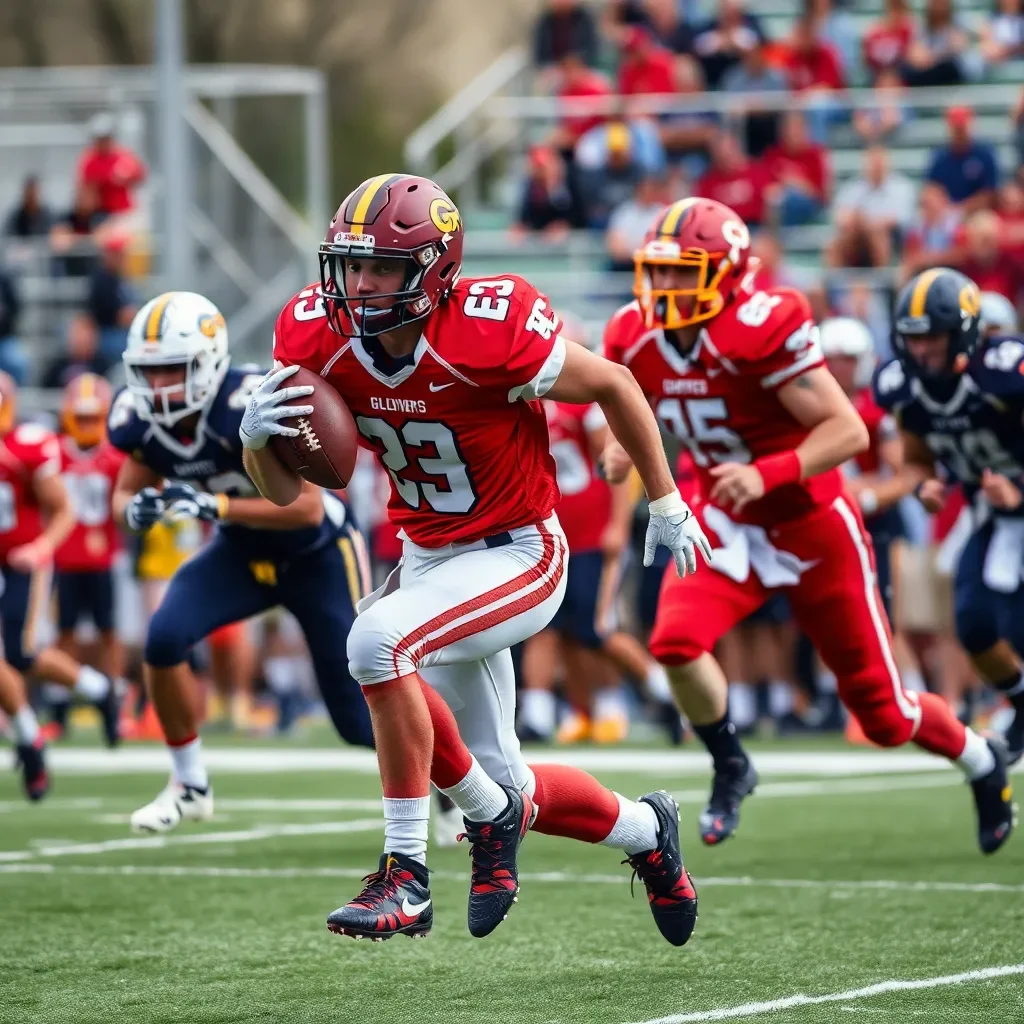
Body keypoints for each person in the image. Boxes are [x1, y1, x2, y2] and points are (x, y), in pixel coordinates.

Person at [254, 173, 709, 944]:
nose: (359, 286)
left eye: (383, 270)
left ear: (433, 271)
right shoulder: (316, 334)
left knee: (373, 641)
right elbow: (279, 490)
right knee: (505, 779)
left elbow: (615, 382)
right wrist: (253, 440)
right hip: (430, 559)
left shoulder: (487, 328)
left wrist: (665, 500)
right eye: (350, 266)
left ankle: (406, 873)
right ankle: (645, 833)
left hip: (519, 552)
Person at [604, 197, 1014, 855]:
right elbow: (641, 402)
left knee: (884, 715)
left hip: (810, 523)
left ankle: (981, 759)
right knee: (675, 642)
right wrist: (626, 446)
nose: (666, 286)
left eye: (684, 272)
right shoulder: (637, 333)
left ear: (728, 273)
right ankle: (731, 762)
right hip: (725, 519)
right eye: (661, 270)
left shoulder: (761, 326)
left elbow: (848, 431)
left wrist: (769, 473)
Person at [109, 291, 375, 833]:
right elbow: (124, 497)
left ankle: (450, 778)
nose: (158, 387)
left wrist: (214, 505)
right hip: (239, 550)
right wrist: (135, 512)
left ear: (208, 362)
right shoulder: (138, 421)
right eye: (149, 372)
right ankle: (189, 783)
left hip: (317, 553)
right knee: (163, 639)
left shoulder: (252, 402)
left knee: (356, 715)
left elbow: (303, 507)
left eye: (172, 371)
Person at [874, 265, 1024, 781]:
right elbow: (916, 458)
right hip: (994, 514)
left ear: (962, 330)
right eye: (913, 338)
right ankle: (1021, 705)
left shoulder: (1003, 373)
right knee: (975, 623)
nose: (922, 350)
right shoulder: (905, 388)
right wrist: (923, 484)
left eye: (932, 337)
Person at [519, 391, 679, 744]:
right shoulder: (516, 399)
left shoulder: (579, 402)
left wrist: (618, 524)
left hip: (590, 532)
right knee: (547, 628)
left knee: (596, 627)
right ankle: (549, 714)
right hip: (545, 532)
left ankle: (666, 692)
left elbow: (616, 462)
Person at [0, 371, 120, 797]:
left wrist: (40, 548)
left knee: (21, 652)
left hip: (21, 562)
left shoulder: (23, 448)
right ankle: (33, 736)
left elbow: (63, 508)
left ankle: (95, 693)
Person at [51, 374, 127, 735]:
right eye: (79, 418)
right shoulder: (53, 455)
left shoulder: (113, 458)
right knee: (64, 634)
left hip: (101, 560)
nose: (85, 425)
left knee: (108, 632)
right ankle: (62, 702)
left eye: (91, 417)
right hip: (63, 560)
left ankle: (113, 700)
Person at [925, 107, 999, 213]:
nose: (959, 132)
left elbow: (989, 193)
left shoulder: (984, 153)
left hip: (976, 213)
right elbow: (932, 187)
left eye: (962, 128)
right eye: (956, 128)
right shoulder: (940, 155)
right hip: (945, 212)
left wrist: (962, 209)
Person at [76, 113, 146, 219]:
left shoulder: (123, 156)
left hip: (125, 212)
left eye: (106, 138)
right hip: (101, 214)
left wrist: (125, 177)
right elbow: (86, 191)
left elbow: (140, 176)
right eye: (100, 139)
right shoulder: (89, 161)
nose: (103, 142)